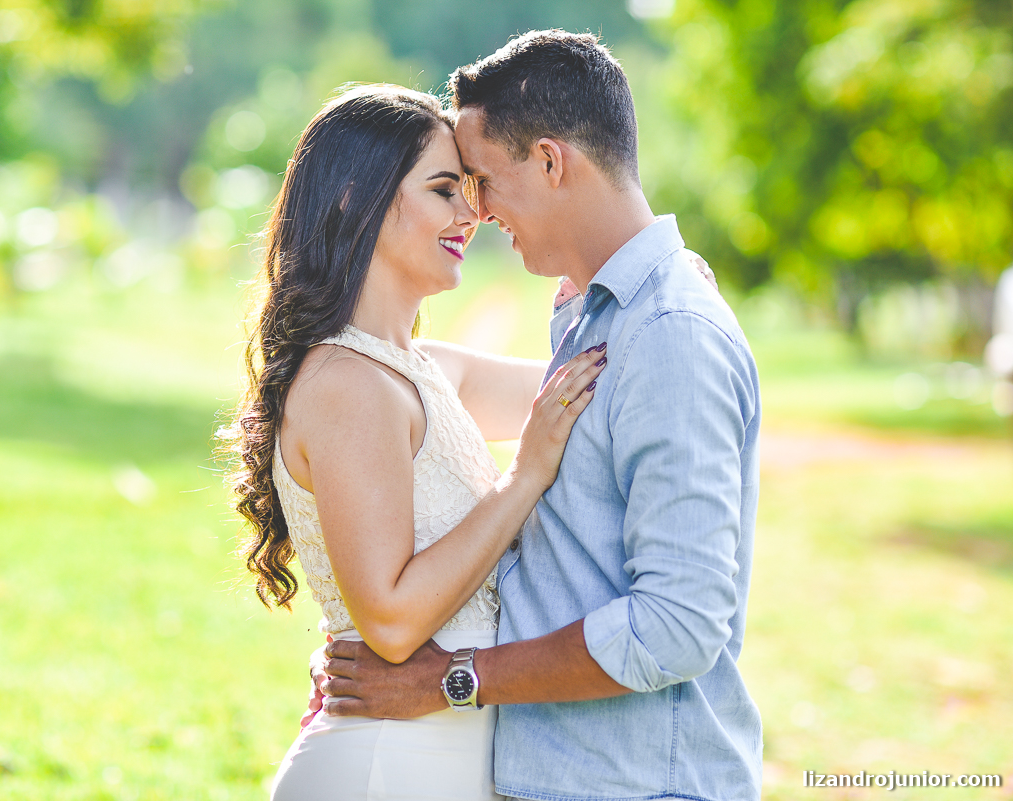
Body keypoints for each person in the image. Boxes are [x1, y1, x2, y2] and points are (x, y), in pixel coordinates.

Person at [317, 30, 765, 801]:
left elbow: (677, 625)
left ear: (552, 162)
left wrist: (453, 678)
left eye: (483, 180)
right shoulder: (604, 319)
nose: (478, 211)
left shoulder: (670, 333)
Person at [231, 83, 609, 801]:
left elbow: (594, 384)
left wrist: (653, 282)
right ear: (357, 201)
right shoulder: (348, 384)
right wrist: (524, 475)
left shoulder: (425, 370)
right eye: (443, 190)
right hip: (384, 764)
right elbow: (394, 621)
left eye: (468, 188)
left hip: (433, 757)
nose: (471, 213)